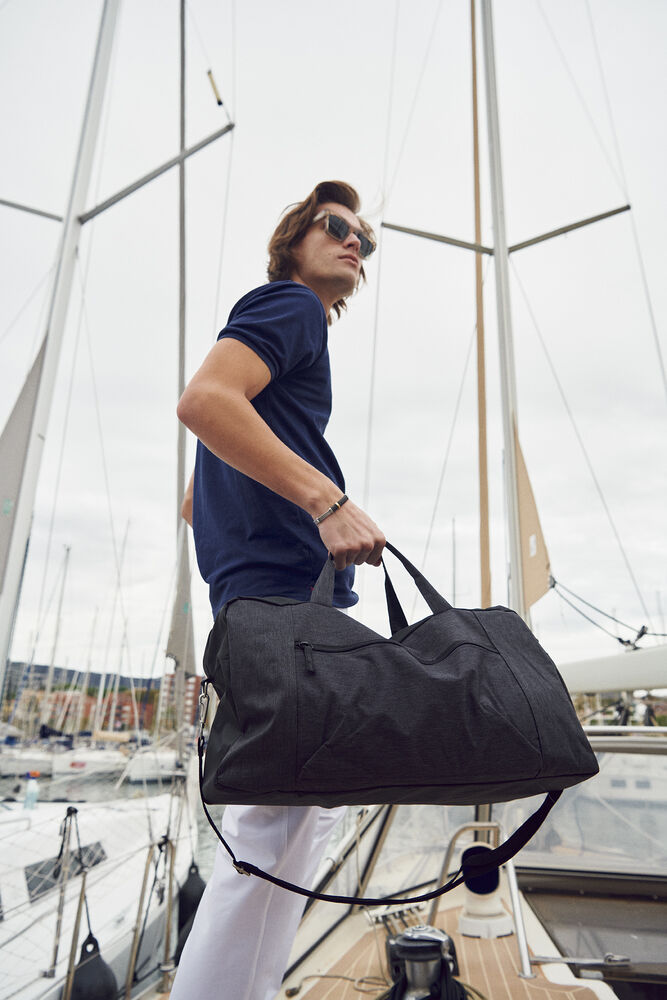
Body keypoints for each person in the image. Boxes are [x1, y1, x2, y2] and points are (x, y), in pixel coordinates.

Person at [170, 180, 385, 1000]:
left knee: (287, 821)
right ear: (293, 240)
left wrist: (240, 509)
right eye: (335, 226)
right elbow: (204, 402)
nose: (354, 241)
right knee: (280, 829)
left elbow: (195, 496)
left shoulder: (285, 334)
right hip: (284, 603)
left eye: (365, 238)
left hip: (263, 602)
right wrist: (325, 502)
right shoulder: (290, 306)